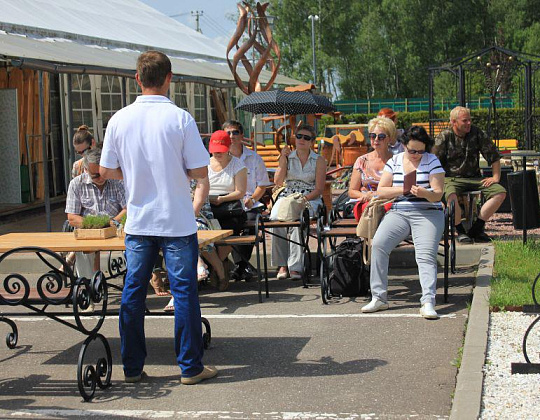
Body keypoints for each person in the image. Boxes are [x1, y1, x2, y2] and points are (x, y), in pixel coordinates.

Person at [99, 50, 217, 385]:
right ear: (169, 78)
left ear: (137, 78)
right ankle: (190, 367)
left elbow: (106, 170)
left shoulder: (119, 119)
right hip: (176, 219)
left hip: (139, 220)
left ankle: (133, 368)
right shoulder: (180, 118)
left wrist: (136, 173)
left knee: (133, 294)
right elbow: (198, 170)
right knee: (183, 294)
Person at [361, 125, 446, 319]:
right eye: (412, 150)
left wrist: (425, 193)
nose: (416, 154)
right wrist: (403, 190)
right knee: (379, 244)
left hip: (428, 212)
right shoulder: (396, 160)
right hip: (399, 211)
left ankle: (427, 301)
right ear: (404, 146)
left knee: (425, 255)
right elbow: (381, 190)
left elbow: (438, 194)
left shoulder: (432, 161)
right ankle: (379, 297)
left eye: (420, 151)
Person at [432, 106, 507, 243]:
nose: (468, 123)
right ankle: (459, 230)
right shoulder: (444, 137)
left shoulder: (476, 133)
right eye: (464, 120)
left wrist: (496, 177)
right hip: (451, 178)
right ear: (454, 122)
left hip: (475, 178)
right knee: (451, 196)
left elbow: (494, 157)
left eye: (469, 120)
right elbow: (433, 162)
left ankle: (477, 228)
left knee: (500, 193)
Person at [65, 148, 126, 293]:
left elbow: (128, 208)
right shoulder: (76, 184)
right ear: (86, 169)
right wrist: (94, 226)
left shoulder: (117, 181)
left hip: (115, 230)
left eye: (103, 173)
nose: (101, 177)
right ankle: (88, 289)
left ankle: (133, 289)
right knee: (82, 249)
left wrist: (112, 222)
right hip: (88, 231)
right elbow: (72, 217)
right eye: (95, 175)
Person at [163, 176, 227, 311]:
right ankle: (202, 265)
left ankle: (177, 295)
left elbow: (195, 209)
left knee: (187, 234)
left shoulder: (197, 178)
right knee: (172, 239)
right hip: (173, 223)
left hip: (199, 219)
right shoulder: (167, 178)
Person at [272, 124, 325, 280]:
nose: (302, 140)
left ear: (312, 142)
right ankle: (282, 264)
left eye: (306, 137)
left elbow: (319, 189)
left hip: (310, 197)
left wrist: (303, 200)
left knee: (297, 222)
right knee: (277, 220)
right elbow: (278, 181)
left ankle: (295, 266)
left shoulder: (319, 160)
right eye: (299, 136)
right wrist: (282, 159)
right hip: (288, 195)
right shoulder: (288, 156)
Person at [224, 119, 271, 281]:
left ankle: (240, 267)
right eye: (228, 133)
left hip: (250, 203)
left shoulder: (255, 158)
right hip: (228, 204)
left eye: (235, 132)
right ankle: (242, 266)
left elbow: (263, 185)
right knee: (229, 226)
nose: (231, 136)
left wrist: (251, 199)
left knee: (250, 223)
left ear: (242, 135)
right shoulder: (220, 158)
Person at [207, 129, 248, 285]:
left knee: (232, 228)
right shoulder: (205, 163)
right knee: (199, 228)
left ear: (229, 147)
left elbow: (240, 191)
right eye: (215, 151)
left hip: (230, 206)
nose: (218, 154)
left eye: (221, 151)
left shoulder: (238, 164)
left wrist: (222, 198)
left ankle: (215, 266)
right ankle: (219, 266)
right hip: (208, 206)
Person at [348, 117, 394, 205]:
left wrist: (377, 196)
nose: (376, 139)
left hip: (389, 204)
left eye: (381, 137)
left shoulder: (397, 161)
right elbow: (352, 191)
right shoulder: (362, 161)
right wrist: (365, 196)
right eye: (373, 136)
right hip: (367, 205)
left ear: (389, 138)